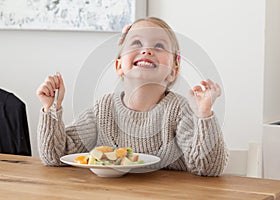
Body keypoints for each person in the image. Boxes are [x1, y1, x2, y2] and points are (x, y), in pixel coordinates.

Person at [36, 17, 228, 176]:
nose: (146, 50)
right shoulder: (104, 109)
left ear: (173, 71)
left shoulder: (178, 110)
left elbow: (209, 168)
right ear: (119, 66)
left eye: (159, 45)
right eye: (136, 43)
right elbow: (55, 156)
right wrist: (51, 107)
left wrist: (204, 113)